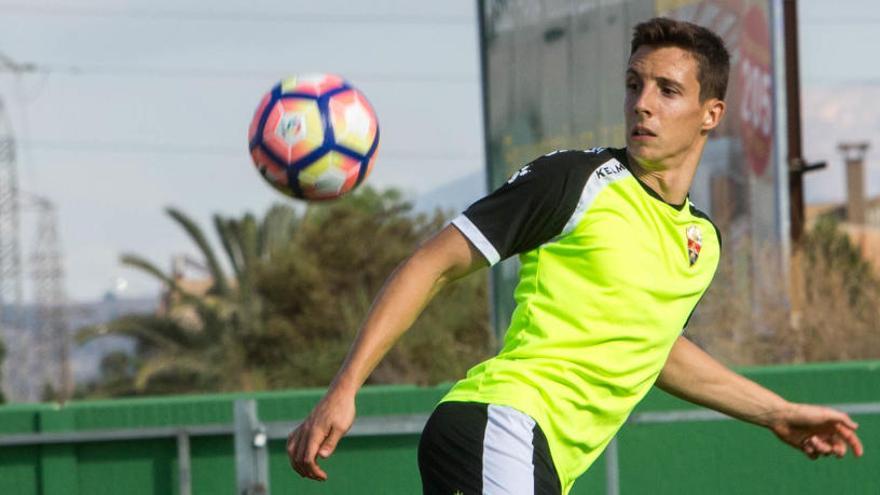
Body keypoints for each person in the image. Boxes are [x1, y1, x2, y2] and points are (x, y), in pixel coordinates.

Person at [287, 17, 864, 494]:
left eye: (667, 90)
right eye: (634, 84)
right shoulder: (576, 180)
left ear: (711, 114)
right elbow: (431, 262)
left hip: (536, 461)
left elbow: (656, 351)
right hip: (500, 424)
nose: (643, 104)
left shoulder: (701, 242)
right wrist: (346, 386)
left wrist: (777, 413)